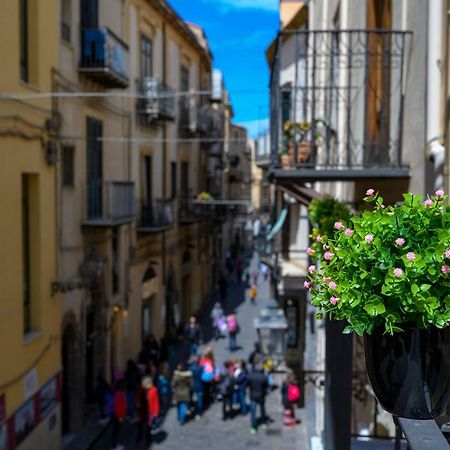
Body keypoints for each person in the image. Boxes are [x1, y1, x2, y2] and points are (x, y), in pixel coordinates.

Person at [247, 358, 269, 434]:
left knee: (253, 412)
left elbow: (248, 385)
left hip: (253, 395)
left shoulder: (250, 376)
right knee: (262, 409)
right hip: (261, 395)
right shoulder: (263, 377)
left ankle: (253, 427)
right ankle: (263, 422)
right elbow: (266, 386)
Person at [142, 376, 160, 445]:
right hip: (149, 412)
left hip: (151, 413)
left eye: (144, 384)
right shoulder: (150, 390)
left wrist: (154, 412)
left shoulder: (152, 391)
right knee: (148, 427)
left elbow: (154, 403)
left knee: (149, 427)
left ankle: (148, 440)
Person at [111, 379, 127, 449]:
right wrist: (120, 416)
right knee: (116, 431)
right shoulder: (119, 394)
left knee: (117, 430)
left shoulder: (119, 393)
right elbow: (117, 406)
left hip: (118, 415)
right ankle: (114, 446)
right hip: (118, 415)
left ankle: (115, 444)